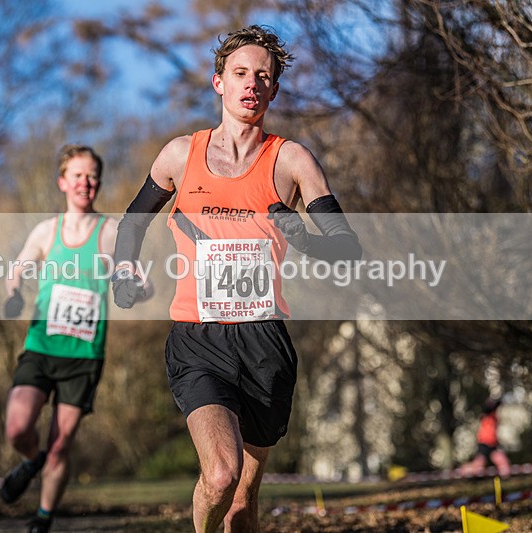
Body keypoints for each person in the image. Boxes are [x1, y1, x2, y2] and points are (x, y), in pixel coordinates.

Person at [111, 25, 362, 532]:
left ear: (273, 90)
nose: (251, 83)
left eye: (263, 76)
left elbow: (347, 249)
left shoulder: (292, 160)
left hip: (265, 341)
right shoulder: (181, 155)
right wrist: (123, 266)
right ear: (218, 82)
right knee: (221, 475)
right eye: (241, 73)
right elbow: (133, 221)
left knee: (244, 502)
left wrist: (302, 234)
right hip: (198, 339)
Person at [0, 145, 121, 533]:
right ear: (63, 182)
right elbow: (16, 268)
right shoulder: (46, 231)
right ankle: (31, 461)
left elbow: (137, 276)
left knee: (61, 443)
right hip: (41, 345)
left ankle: (43, 517)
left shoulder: (111, 232)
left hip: (84, 354)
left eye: (92, 176)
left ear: (97, 182)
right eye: (78, 175)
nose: (85, 183)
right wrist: (14, 291)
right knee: (17, 428)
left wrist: (134, 285)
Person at [460, 397, 511, 479]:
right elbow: (489, 407)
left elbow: (497, 404)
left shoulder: (493, 416)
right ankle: (464, 470)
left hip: (493, 443)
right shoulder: (485, 415)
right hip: (484, 443)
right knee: (478, 466)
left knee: (502, 460)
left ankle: (505, 478)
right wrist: (493, 401)